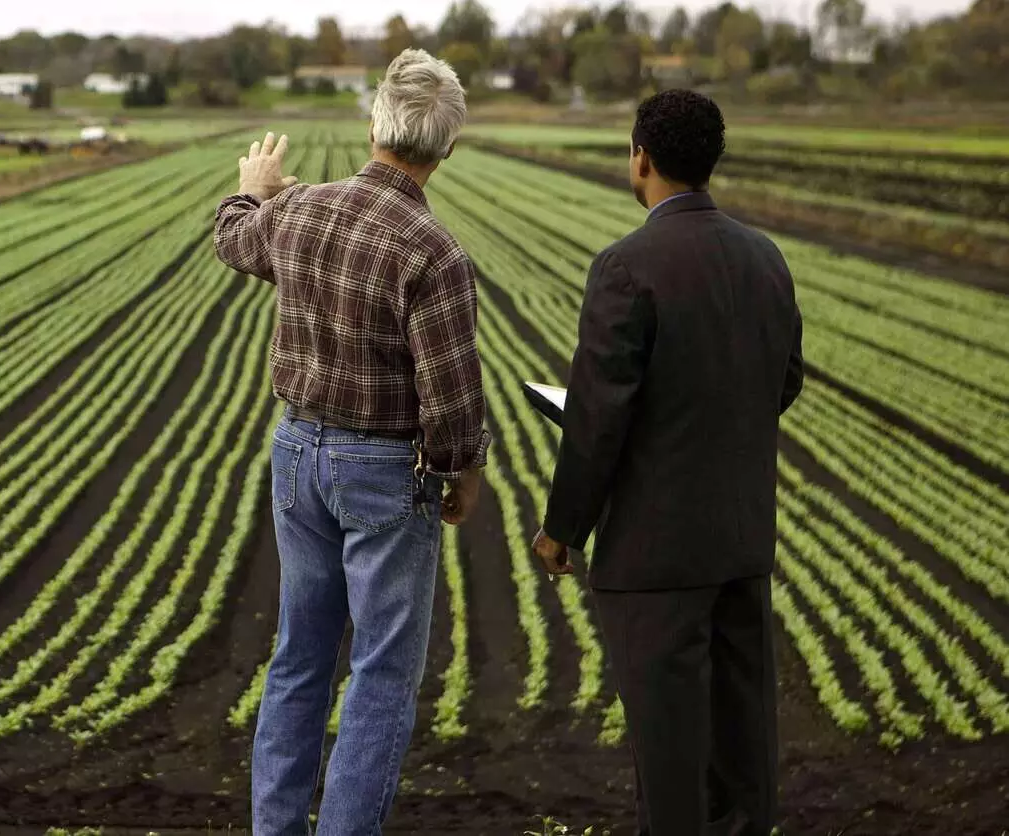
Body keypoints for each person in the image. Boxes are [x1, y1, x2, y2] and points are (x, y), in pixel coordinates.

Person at [213, 49, 490, 836]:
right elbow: (451, 394)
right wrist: (463, 471)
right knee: (381, 674)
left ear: (373, 124)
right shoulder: (434, 254)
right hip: (382, 471)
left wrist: (251, 192)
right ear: (447, 148)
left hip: (297, 455)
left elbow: (234, 240)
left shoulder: (302, 214)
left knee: (300, 654)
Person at [531, 90, 805, 836]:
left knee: (670, 759)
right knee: (743, 751)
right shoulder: (765, 256)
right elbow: (784, 380)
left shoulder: (626, 267)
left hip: (655, 557)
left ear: (640, 159)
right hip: (742, 541)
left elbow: (597, 419)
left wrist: (563, 531)